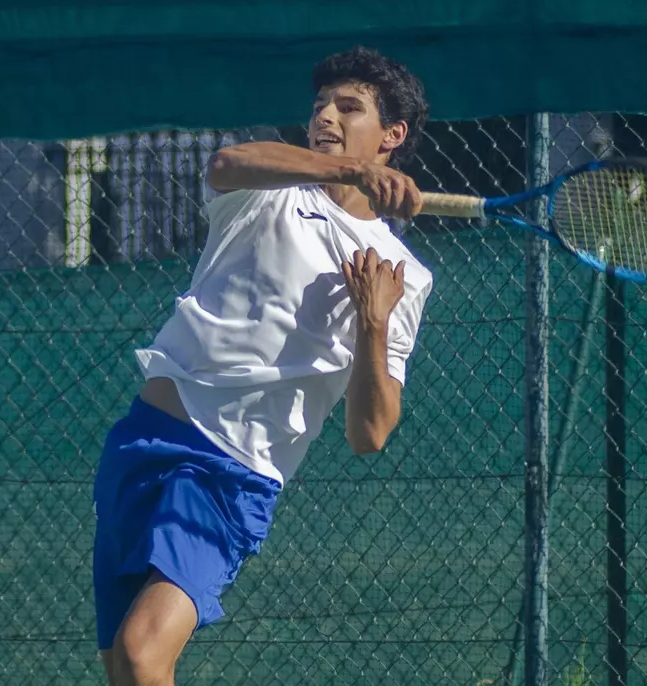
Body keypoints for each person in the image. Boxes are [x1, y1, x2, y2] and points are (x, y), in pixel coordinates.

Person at [92, 46, 434, 686]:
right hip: (143, 443)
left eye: (349, 108)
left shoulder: (402, 275)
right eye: (320, 105)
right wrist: (350, 169)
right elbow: (226, 163)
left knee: (141, 654)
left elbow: (370, 433)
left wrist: (373, 321)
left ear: (393, 134)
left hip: (230, 471)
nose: (325, 116)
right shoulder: (267, 192)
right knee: (123, 668)